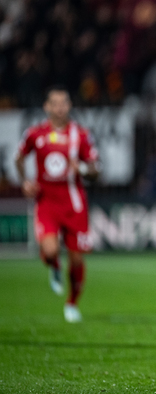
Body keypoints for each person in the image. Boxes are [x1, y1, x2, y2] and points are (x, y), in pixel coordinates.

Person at [15, 86, 100, 323]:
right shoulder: (35, 134)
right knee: (51, 250)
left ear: (69, 106)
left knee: (76, 259)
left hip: (74, 204)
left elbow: (96, 169)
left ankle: (72, 303)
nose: (60, 107)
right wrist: (24, 182)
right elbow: (19, 158)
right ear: (47, 107)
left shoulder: (81, 135)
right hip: (47, 202)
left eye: (64, 103)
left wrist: (82, 168)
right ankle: (53, 266)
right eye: (55, 103)